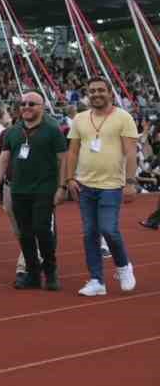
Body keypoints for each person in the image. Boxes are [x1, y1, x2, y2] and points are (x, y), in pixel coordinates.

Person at [0, 90, 67, 291]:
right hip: (18, 190)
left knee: (42, 229)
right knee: (25, 234)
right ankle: (32, 274)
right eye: (23, 104)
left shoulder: (52, 130)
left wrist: (62, 187)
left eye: (32, 104)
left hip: (44, 189)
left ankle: (50, 271)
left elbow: (62, 160)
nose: (26, 107)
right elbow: (3, 159)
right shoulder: (13, 132)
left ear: (42, 107)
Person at [66, 77, 139, 296]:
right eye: (92, 91)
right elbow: (72, 152)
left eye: (101, 90)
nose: (96, 94)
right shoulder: (79, 118)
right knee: (89, 234)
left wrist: (130, 182)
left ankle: (124, 266)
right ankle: (97, 280)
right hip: (85, 185)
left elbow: (131, 152)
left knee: (109, 229)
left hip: (112, 185)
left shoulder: (123, 117)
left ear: (110, 92)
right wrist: (70, 179)